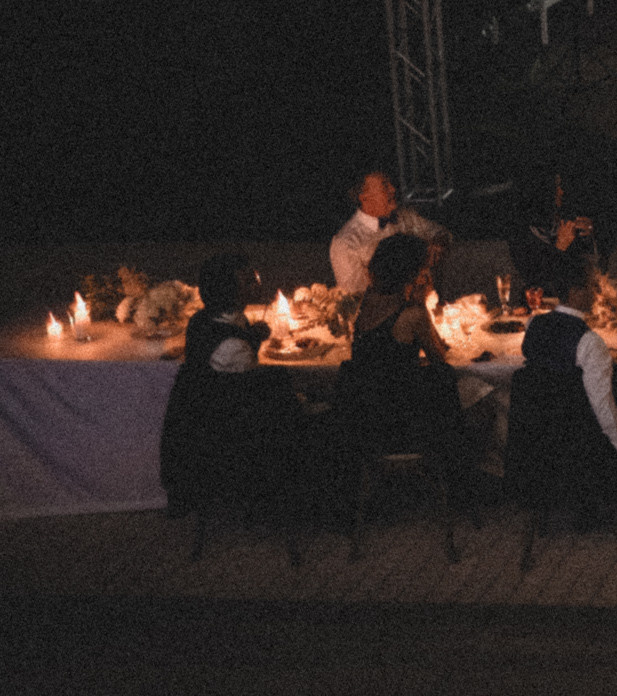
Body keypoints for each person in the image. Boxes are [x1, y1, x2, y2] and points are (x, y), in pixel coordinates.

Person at [158, 251, 306, 516]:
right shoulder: (232, 347)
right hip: (227, 438)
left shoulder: (203, 319)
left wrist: (254, 334)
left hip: (211, 416)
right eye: (249, 282)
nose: (257, 284)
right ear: (231, 293)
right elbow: (249, 398)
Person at [340, 233, 477, 483]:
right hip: (406, 421)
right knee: (481, 391)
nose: (427, 273)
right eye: (423, 267)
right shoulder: (412, 313)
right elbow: (440, 358)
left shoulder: (368, 301)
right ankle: (465, 479)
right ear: (411, 271)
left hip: (368, 418)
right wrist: (422, 302)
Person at [514, 261, 617, 491]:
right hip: (578, 437)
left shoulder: (533, 324)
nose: (598, 293)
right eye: (592, 287)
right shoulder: (590, 341)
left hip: (537, 434)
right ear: (574, 293)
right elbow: (602, 406)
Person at [329, 169, 452, 294]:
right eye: (385, 186)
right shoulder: (345, 243)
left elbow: (440, 232)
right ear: (364, 197)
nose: (393, 189)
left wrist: (438, 243)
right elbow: (356, 296)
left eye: (390, 184)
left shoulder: (405, 217)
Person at [510, 172, 597, 308]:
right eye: (557, 187)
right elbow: (537, 282)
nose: (561, 192)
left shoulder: (564, 222)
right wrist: (559, 248)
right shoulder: (521, 234)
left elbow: (582, 274)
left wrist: (589, 235)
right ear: (543, 193)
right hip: (537, 309)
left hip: (571, 307)